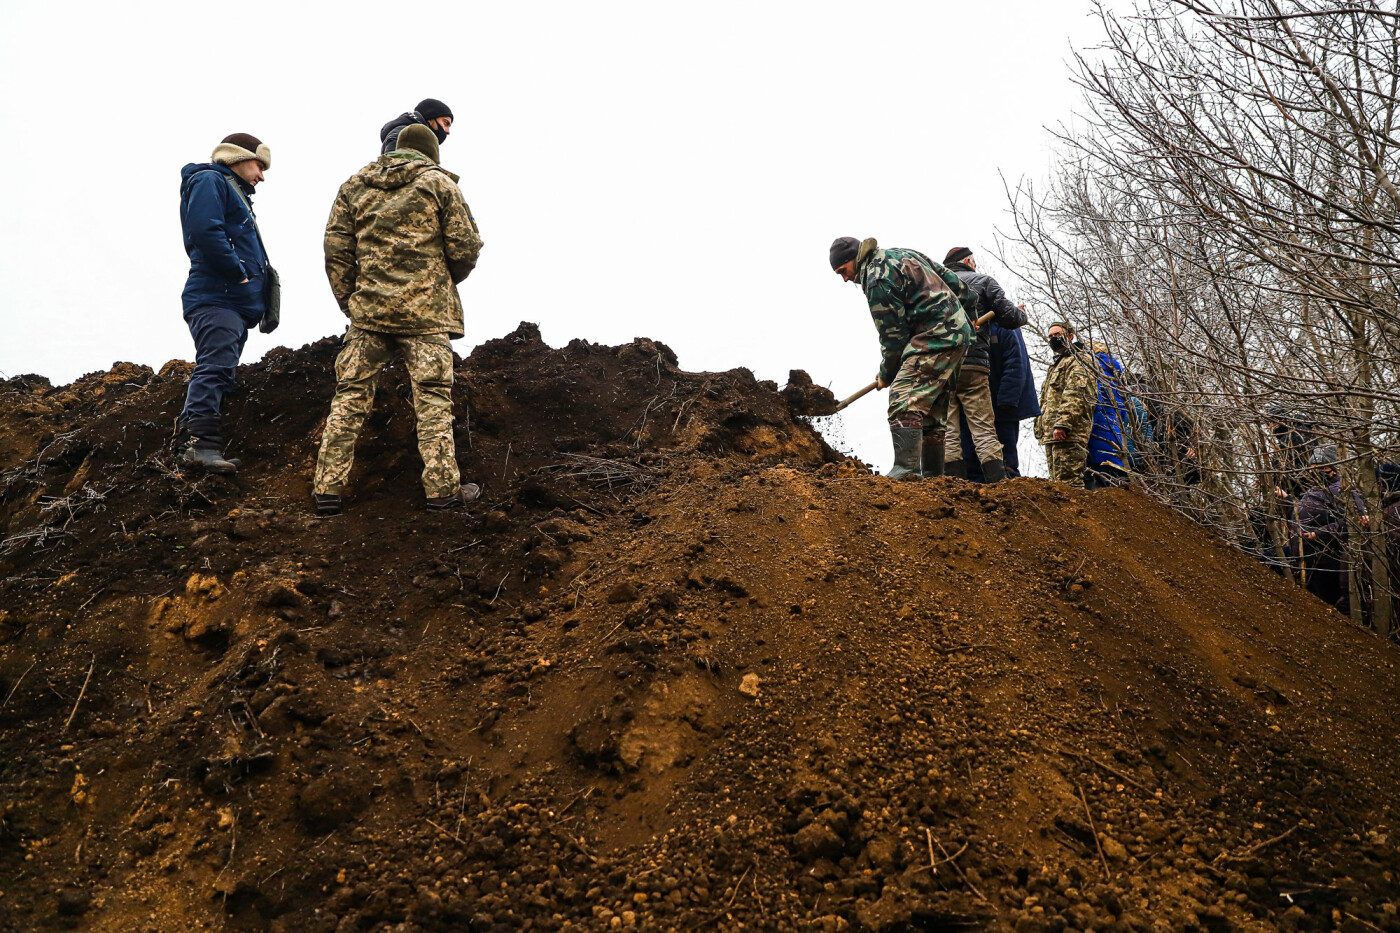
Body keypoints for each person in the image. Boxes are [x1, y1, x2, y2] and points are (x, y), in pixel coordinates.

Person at [313, 125, 483, 515]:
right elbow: (466, 246)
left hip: (368, 315)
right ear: (430, 155)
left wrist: (352, 303)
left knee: (350, 399)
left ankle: (327, 491)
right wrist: (439, 281)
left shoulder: (354, 186)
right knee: (434, 402)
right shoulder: (439, 185)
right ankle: (442, 494)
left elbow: (336, 251)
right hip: (426, 317)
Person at [830, 236, 976, 479]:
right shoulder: (900, 254)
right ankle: (932, 476)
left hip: (935, 336)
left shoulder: (876, 279)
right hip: (957, 335)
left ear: (853, 259)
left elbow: (893, 338)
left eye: (842, 271)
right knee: (931, 408)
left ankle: (906, 470)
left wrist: (887, 374)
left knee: (903, 398)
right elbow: (954, 282)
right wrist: (970, 314)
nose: (845, 279)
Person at [176, 133, 277, 474]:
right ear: (237, 157)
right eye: (258, 165)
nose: (261, 175)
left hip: (229, 300)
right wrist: (239, 272)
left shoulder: (230, 190)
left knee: (221, 370)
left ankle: (193, 445)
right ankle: (199, 448)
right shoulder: (209, 180)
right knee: (215, 367)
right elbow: (205, 231)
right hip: (217, 296)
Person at [941, 248, 1029, 483]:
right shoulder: (982, 281)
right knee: (983, 427)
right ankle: (999, 483)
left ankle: (954, 487)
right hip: (972, 363)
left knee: (949, 431)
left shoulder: (931, 286)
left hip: (941, 368)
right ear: (968, 261)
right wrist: (1022, 316)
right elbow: (1009, 316)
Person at [1288, 445, 1368, 614]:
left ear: (1332, 469)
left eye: (1320, 468)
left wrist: (1319, 533)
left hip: (1329, 563)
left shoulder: (1344, 491)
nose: (1313, 471)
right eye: (1312, 468)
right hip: (1308, 562)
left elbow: (1357, 522)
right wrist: (1287, 500)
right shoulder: (1314, 490)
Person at [959, 316, 1040, 480]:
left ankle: (1008, 490)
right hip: (972, 406)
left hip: (1001, 405)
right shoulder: (964, 324)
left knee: (1005, 458)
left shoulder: (1005, 325)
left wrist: (1006, 401)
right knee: (971, 457)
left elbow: (1016, 363)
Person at [1034, 322, 1098, 488]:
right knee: (1057, 487)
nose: (1053, 339)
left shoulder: (1079, 360)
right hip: (1051, 436)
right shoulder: (1057, 365)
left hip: (1069, 434)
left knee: (1070, 487)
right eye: (1050, 336)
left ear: (1070, 336)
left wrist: (1063, 424)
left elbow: (1076, 394)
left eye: (1057, 335)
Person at [1083, 340, 1132, 489]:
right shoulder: (1115, 374)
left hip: (1097, 430)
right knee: (1114, 478)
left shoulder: (1094, 370)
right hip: (1114, 430)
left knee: (1098, 484)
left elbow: (1093, 402)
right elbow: (1123, 411)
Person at [380, 98, 454, 155]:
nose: (447, 131)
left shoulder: (420, 140)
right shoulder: (405, 133)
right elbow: (393, 167)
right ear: (430, 118)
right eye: (445, 123)